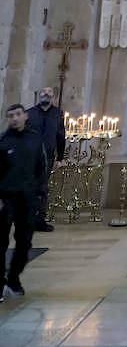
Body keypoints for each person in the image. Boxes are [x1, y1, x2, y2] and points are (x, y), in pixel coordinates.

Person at [0, 103, 46, 300]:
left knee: (24, 242)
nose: (15, 118)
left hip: (27, 199)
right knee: (0, 242)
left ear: (25, 116)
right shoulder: (2, 141)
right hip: (6, 199)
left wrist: (38, 194)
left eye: (18, 114)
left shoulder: (35, 139)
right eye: (11, 116)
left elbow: (41, 169)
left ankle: (13, 278)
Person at [27, 87, 65, 232]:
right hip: (30, 157)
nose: (46, 95)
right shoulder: (29, 113)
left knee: (42, 189)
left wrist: (60, 157)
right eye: (43, 92)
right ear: (39, 95)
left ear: (53, 97)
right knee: (30, 188)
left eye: (49, 93)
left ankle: (40, 220)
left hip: (47, 157)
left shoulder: (57, 114)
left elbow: (60, 135)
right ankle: (27, 219)